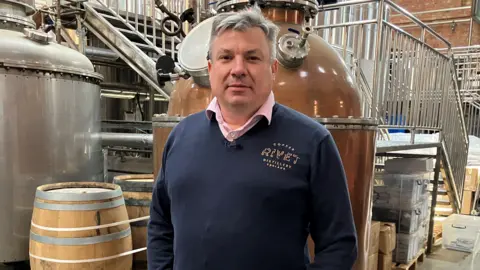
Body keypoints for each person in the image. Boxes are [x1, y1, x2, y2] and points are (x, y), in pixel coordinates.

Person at [147, 5, 357, 270]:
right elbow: (160, 224)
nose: (238, 69)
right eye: (226, 57)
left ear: (273, 69)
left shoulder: (312, 142)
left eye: (252, 57)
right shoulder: (181, 136)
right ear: (211, 69)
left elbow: (339, 244)